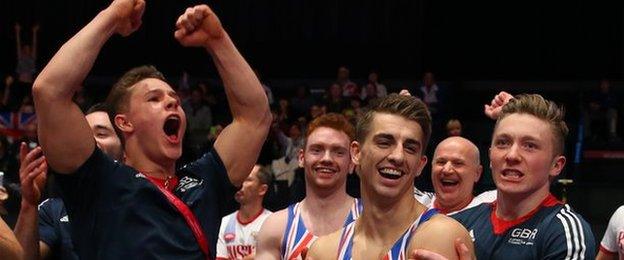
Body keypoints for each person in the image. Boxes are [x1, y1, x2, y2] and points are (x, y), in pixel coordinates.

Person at [32, 1, 271, 259]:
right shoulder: (97, 181)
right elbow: (49, 92)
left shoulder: (204, 182)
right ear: (124, 123)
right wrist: (112, 16)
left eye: (174, 99)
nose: (173, 102)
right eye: (154, 99)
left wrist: (218, 40)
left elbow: (254, 117)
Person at [307, 94, 473, 260]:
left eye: (410, 148)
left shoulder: (439, 234)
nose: (398, 156)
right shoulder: (324, 251)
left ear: (420, 165)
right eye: (384, 143)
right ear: (356, 153)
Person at [452, 94, 596, 259]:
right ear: (491, 156)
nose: (512, 155)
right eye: (503, 143)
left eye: (529, 146)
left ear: (556, 165)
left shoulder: (564, 232)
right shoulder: (458, 223)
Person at [14, 103, 122, 260]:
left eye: (101, 134)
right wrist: (29, 204)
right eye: (83, 135)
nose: (89, 141)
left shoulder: (144, 200)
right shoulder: (53, 210)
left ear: (125, 149)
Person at [255, 113, 362, 259]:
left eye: (338, 152)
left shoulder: (372, 221)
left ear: (351, 163)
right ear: (301, 158)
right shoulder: (276, 227)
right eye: (317, 150)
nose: (326, 159)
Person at [426, 136, 496, 215]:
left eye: (458, 163)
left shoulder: (490, 209)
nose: (446, 170)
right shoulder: (418, 204)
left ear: (477, 173)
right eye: (441, 162)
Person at [216, 165, 273, 260]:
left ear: (262, 189)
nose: (240, 184)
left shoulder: (273, 222)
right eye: (240, 179)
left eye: (247, 180)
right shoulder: (224, 223)